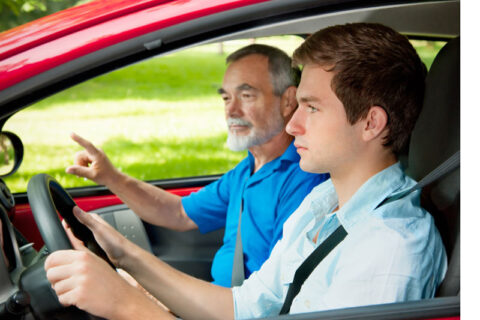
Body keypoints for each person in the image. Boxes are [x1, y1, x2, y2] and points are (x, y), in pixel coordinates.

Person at [45, 23, 447, 319]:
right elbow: (244, 306)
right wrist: (124, 256)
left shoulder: (390, 247)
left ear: (371, 123)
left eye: (312, 107)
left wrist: (125, 304)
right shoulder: (323, 204)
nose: (293, 125)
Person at [65, 44, 328, 287]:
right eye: (226, 98)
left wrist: (142, 286)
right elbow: (179, 213)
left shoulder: (304, 178)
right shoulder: (247, 170)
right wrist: (111, 177)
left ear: (287, 101)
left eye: (246, 95)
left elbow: (272, 297)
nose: (231, 110)